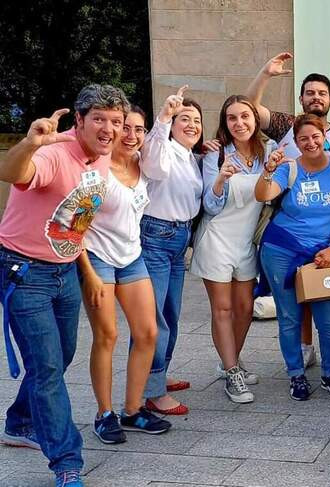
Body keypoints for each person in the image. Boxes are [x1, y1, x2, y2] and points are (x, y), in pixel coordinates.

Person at [0, 84, 130, 487]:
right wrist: (28, 143)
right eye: (99, 120)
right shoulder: (55, 153)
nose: (108, 129)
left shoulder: (102, 158)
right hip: (25, 272)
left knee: (62, 354)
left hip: (66, 269)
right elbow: (12, 172)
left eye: (116, 121)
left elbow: (76, 222)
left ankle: (19, 422)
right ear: (79, 121)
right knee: (48, 367)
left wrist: (87, 270)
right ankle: (66, 461)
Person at [245, 52, 330, 367]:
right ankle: (305, 347)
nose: (316, 98)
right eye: (310, 93)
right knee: (297, 294)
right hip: (289, 220)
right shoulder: (287, 126)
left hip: (329, 230)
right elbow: (250, 109)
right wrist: (266, 73)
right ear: (302, 98)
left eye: (322, 93)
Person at [76, 105, 170, 444]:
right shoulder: (95, 171)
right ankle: (104, 414)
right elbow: (75, 229)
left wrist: (165, 119)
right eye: (125, 128)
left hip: (132, 257)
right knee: (108, 336)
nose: (131, 136)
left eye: (139, 130)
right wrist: (89, 273)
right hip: (97, 259)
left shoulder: (142, 164)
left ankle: (132, 410)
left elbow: (165, 152)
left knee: (147, 332)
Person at [255, 114, 330, 401]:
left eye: (315, 136)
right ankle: (295, 374)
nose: (311, 142)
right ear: (296, 143)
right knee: (289, 316)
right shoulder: (288, 169)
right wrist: (268, 172)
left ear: (324, 136)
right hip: (282, 249)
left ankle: (329, 374)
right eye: (303, 139)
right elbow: (263, 195)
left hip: (323, 255)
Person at [191, 95, 274, 403]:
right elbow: (210, 206)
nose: (239, 123)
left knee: (244, 308)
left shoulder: (270, 151)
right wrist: (220, 180)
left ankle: (231, 362)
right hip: (216, 239)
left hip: (247, 241)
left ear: (255, 119)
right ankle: (232, 372)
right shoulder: (217, 155)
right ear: (224, 123)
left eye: (244, 117)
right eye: (231, 118)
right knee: (223, 309)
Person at [138, 88, 204, 416]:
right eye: (184, 119)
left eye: (196, 120)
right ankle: (151, 391)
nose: (191, 124)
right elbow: (152, 164)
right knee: (155, 319)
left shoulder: (192, 156)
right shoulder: (162, 148)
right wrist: (164, 116)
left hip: (179, 241)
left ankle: (158, 376)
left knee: (171, 314)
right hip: (156, 237)